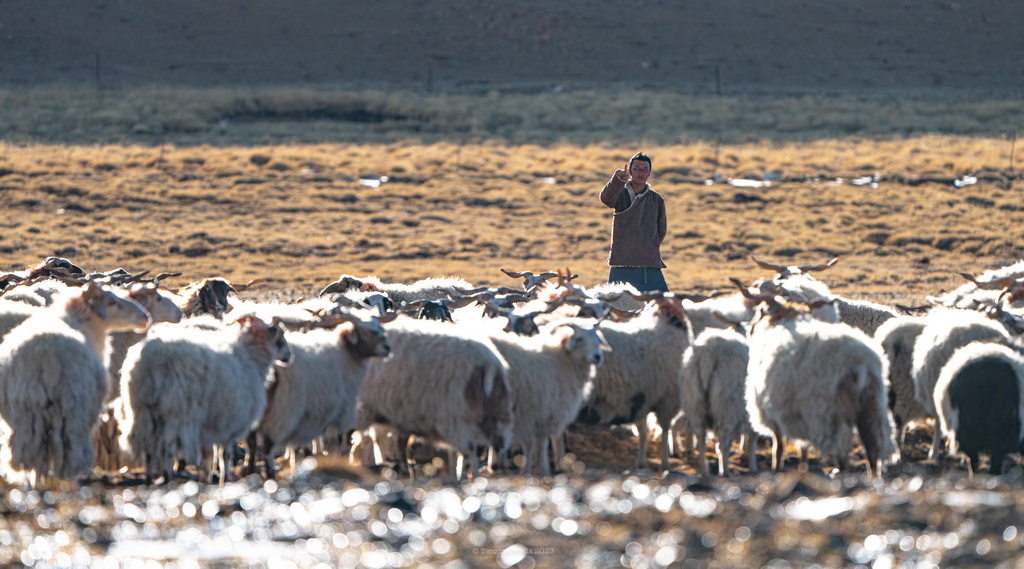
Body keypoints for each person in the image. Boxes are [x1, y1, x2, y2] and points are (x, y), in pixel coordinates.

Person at [599, 152, 668, 293]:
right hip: (621, 262)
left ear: (649, 173)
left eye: (644, 169)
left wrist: (647, 247)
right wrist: (618, 180)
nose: (640, 173)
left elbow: (661, 230)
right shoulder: (620, 193)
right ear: (629, 171)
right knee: (617, 309)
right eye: (636, 169)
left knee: (661, 307)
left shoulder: (656, 199)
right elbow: (606, 199)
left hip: (649, 265)